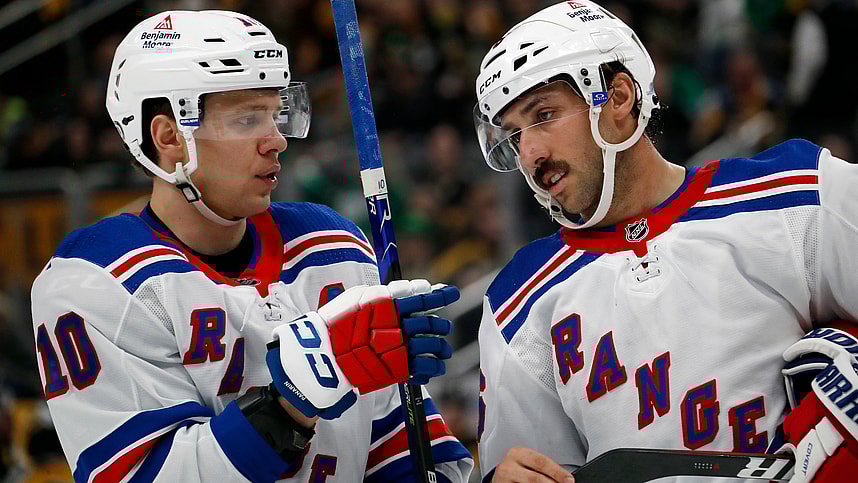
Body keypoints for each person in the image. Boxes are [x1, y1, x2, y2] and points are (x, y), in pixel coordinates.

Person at [30, 10, 473, 483]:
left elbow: (401, 454)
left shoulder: (334, 248)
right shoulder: (97, 282)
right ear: (169, 137)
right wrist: (289, 405)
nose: (276, 140)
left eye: (276, 113)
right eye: (247, 119)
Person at [472, 2, 858, 482]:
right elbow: (539, 468)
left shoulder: (795, 192)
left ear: (618, 97)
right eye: (514, 136)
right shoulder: (516, 302)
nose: (529, 153)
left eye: (544, 115)